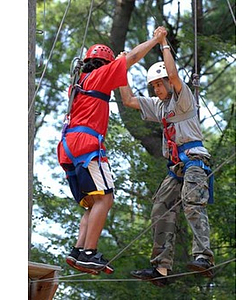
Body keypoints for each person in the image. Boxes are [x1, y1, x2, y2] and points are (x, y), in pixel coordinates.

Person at [57, 28, 167, 275]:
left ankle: (77, 251)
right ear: (105, 64)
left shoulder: (79, 83)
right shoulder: (100, 76)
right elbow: (133, 59)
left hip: (68, 147)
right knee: (105, 198)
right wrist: (156, 40)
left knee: (94, 202)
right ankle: (88, 253)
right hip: (87, 145)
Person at [119, 26, 215, 286]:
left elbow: (173, 74)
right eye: (152, 86)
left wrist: (163, 43)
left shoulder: (183, 99)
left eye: (158, 84)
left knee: (192, 203)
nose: (155, 89)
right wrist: (120, 69)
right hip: (175, 167)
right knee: (161, 208)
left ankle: (203, 257)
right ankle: (161, 269)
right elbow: (128, 100)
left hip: (194, 161)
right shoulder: (159, 106)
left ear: (166, 83)